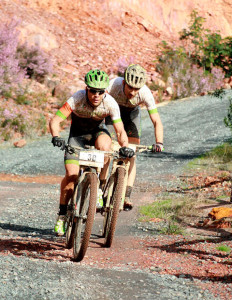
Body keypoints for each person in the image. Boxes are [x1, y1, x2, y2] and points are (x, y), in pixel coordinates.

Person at [49, 69, 134, 236]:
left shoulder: (110, 103)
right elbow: (55, 120)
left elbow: (120, 130)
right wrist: (56, 136)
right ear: (86, 89)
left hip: (97, 133)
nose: (96, 95)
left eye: (100, 92)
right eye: (93, 90)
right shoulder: (77, 98)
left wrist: (125, 145)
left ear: (105, 92)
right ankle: (62, 215)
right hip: (77, 136)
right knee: (71, 176)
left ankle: (100, 187)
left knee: (105, 146)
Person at [105, 64, 164, 210]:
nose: (132, 92)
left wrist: (159, 142)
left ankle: (127, 195)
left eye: (136, 89)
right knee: (107, 149)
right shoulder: (113, 84)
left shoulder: (145, 93)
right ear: (124, 82)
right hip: (113, 113)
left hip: (132, 116)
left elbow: (156, 120)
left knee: (132, 154)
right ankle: (100, 188)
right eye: (130, 87)